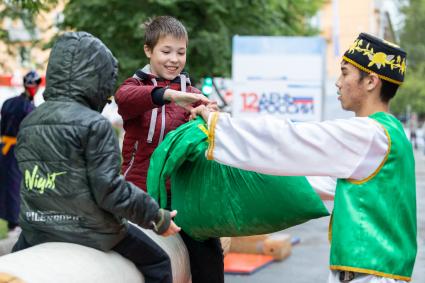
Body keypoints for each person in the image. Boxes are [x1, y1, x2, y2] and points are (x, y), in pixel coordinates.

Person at [190, 33, 417, 283]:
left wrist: (217, 125)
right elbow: (317, 182)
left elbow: (290, 139)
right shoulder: (392, 134)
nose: (338, 83)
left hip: (372, 276)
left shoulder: (370, 134)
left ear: (371, 81)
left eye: (344, 72)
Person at [11, 31, 200, 283]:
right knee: (158, 261)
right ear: (97, 80)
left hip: (37, 228)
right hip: (90, 230)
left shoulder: (30, 120)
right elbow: (109, 189)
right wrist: (156, 216)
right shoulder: (94, 124)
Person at [115, 16, 224, 283]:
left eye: (181, 52)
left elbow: (206, 142)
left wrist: (206, 116)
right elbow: (123, 99)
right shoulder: (134, 87)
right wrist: (171, 96)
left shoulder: (194, 94)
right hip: (138, 195)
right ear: (148, 51)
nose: (174, 59)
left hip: (181, 197)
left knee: (210, 256)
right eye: (166, 51)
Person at [0, 70, 41, 234]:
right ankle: (15, 224)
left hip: (4, 150)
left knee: (7, 186)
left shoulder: (8, 102)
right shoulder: (30, 107)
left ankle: (13, 222)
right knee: (16, 187)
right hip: (19, 151)